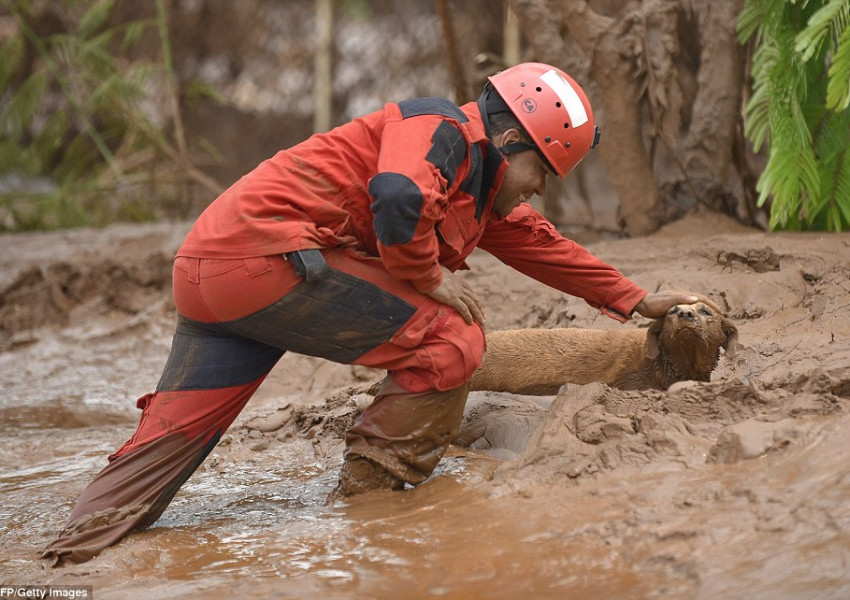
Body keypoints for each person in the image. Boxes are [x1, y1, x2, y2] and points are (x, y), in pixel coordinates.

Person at [42, 62, 718, 565]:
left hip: (212, 270)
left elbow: (544, 246)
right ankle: (373, 509)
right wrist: (427, 277)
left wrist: (635, 300)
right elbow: (397, 197)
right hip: (266, 263)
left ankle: (62, 561)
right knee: (450, 341)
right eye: (541, 171)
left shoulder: (477, 183)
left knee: (162, 453)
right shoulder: (442, 131)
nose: (541, 188)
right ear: (510, 136)